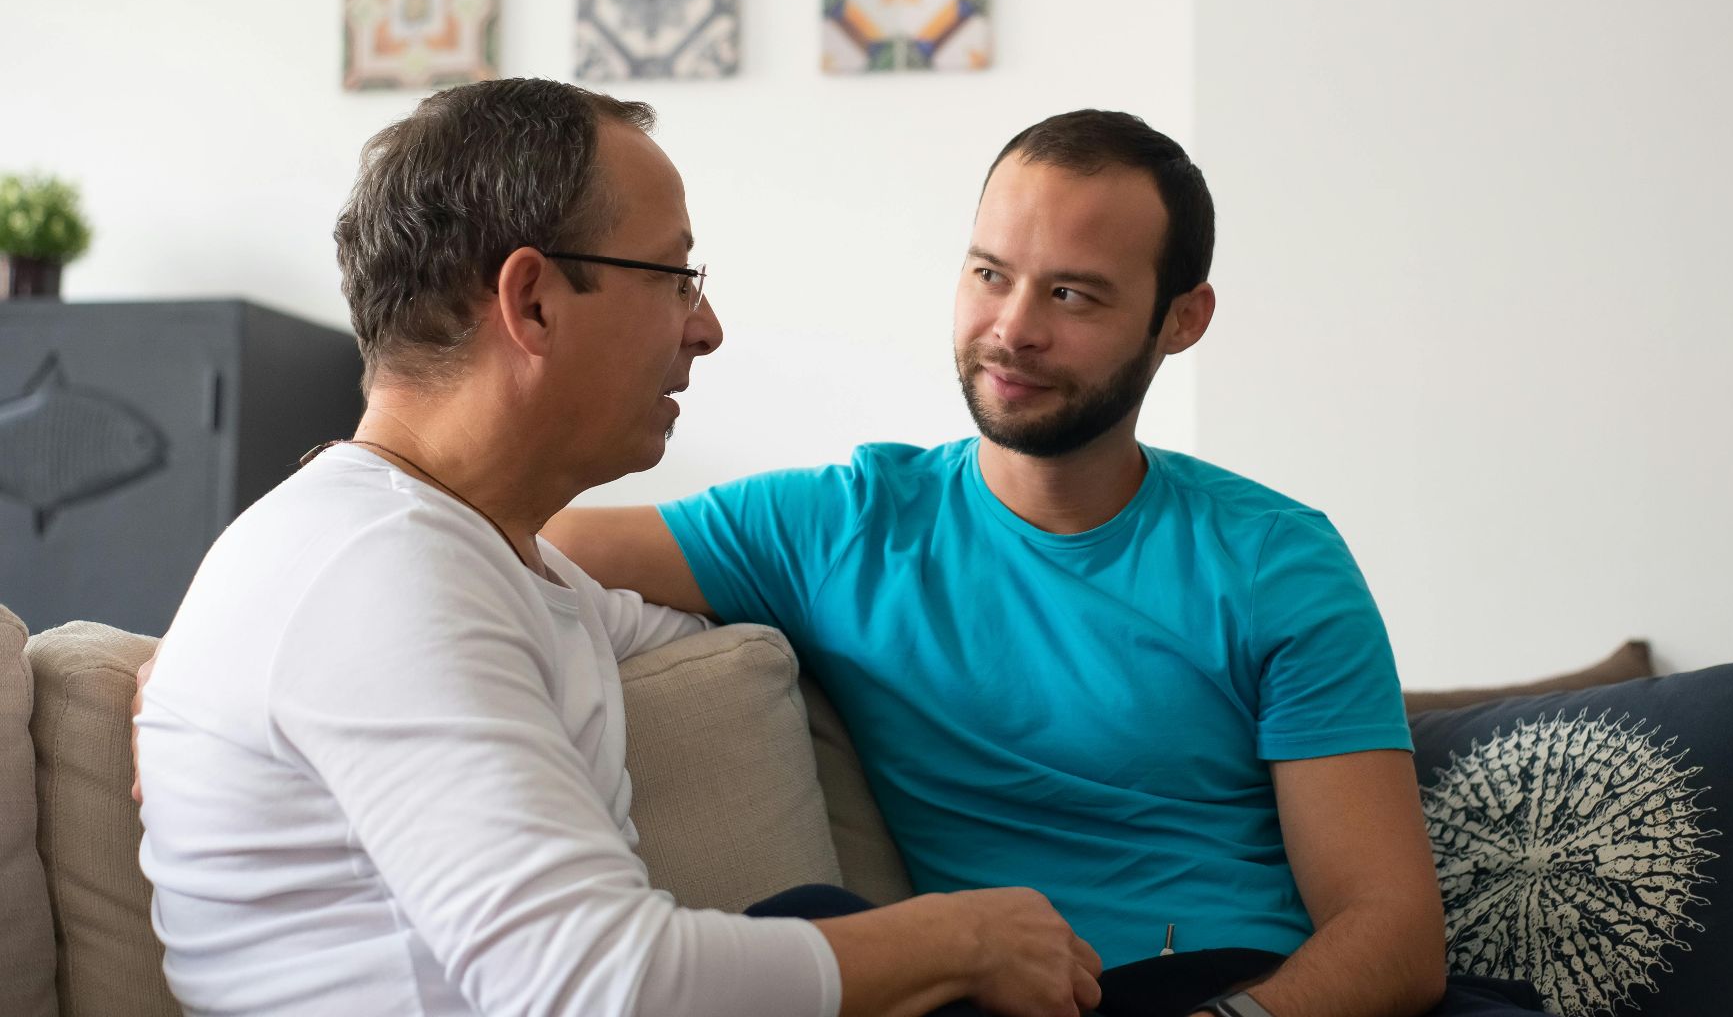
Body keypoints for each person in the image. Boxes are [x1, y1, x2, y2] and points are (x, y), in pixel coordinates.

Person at [132, 78, 1102, 1017]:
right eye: (676, 276)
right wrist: (964, 939)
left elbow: (682, 631)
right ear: (534, 302)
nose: (707, 328)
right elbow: (597, 989)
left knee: (818, 922)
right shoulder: (380, 574)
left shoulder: (463, 562)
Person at [544, 111, 1544, 1017]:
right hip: (1013, 998)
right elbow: (526, 540)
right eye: (990, 274)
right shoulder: (840, 526)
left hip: (1252, 996)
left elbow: (1391, 937)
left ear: (1181, 320)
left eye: (1072, 294)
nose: (1014, 329)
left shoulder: (1276, 557)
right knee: (799, 920)